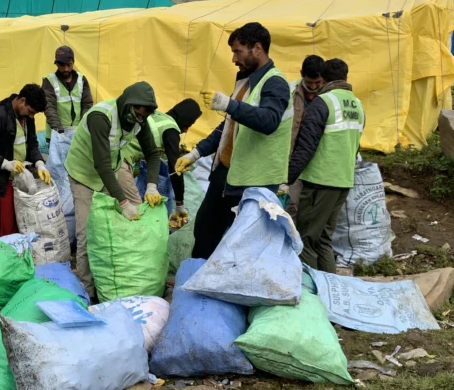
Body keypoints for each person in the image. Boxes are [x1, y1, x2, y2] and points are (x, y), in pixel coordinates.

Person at [175, 22, 292, 259]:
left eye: (238, 51)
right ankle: (199, 284)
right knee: (205, 233)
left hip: (253, 182)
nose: (233, 59)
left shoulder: (275, 83)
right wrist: (196, 153)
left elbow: (269, 121)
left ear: (257, 48)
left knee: (243, 246)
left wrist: (230, 105)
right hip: (227, 175)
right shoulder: (246, 82)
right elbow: (228, 126)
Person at [65, 81, 163, 298]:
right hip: (84, 174)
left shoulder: (140, 120)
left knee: (129, 220)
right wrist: (122, 201)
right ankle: (87, 292)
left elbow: (153, 154)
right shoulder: (101, 117)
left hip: (111, 169)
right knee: (86, 233)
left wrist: (152, 186)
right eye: (139, 111)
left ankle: (121, 278)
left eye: (146, 114)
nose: (141, 117)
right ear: (130, 103)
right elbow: (101, 164)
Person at [287, 58, 364, 274]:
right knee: (323, 240)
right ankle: (330, 290)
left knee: (306, 239)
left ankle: (310, 294)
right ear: (346, 77)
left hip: (320, 182)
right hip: (344, 181)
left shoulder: (324, 102)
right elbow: (355, 146)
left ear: (324, 79)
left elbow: (306, 146)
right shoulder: (358, 105)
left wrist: (288, 178)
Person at [0, 84, 51, 236]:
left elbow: (32, 144)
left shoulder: (26, 118)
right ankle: (6, 255)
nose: (32, 116)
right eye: (31, 112)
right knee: (5, 227)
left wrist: (40, 164)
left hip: (18, 180)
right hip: (0, 182)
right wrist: (5, 163)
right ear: (22, 101)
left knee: (20, 223)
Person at [121, 98, 202, 228]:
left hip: (116, 152)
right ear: (184, 118)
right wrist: (180, 206)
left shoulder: (158, 116)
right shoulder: (170, 131)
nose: (186, 130)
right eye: (189, 124)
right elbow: (175, 170)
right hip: (121, 161)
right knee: (137, 209)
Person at [285, 55, 325, 218]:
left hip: (318, 160)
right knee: (290, 204)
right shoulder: (289, 91)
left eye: (318, 82)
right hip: (292, 158)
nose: (314, 87)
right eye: (310, 83)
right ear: (302, 74)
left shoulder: (329, 95)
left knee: (312, 207)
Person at [41, 45, 93, 151]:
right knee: (57, 166)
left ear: (73, 62)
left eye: (69, 65)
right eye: (62, 65)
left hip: (78, 133)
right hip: (56, 133)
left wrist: (83, 127)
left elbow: (87, 104)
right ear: (56, 64)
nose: (66, 69)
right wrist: (59, 131)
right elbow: (49, 107)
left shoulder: (82, 79)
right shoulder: (49, 81)